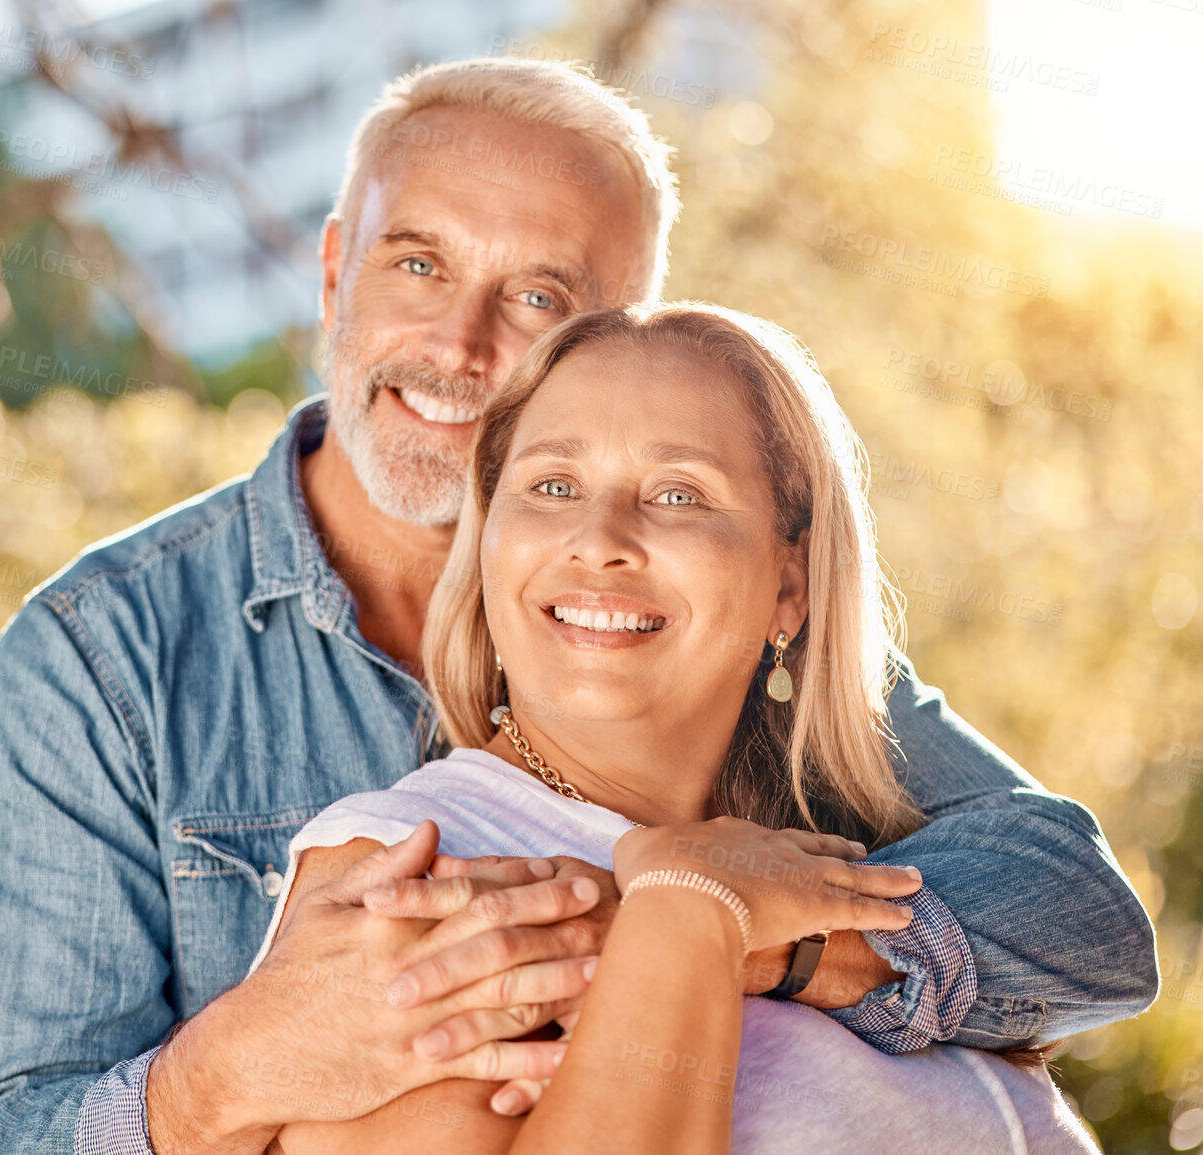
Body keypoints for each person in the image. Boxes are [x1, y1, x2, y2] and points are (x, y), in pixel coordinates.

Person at [0, 58, 1157, 1155]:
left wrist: (756, 941)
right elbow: (6, 1136)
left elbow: (1081, 922)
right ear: (332, 273)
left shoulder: (729, 641)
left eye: (537, 297)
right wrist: (232, 1070)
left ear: (622, 336)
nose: (461, 343)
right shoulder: (105, 655)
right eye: (418, 263)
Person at [255, 302, 1099, 1154]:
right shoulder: (412, 873)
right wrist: (685, 915)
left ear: (788, 587)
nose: (599, 540)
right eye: (552, 485)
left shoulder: (842, 849)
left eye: (677, 493)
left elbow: (1105, 936)